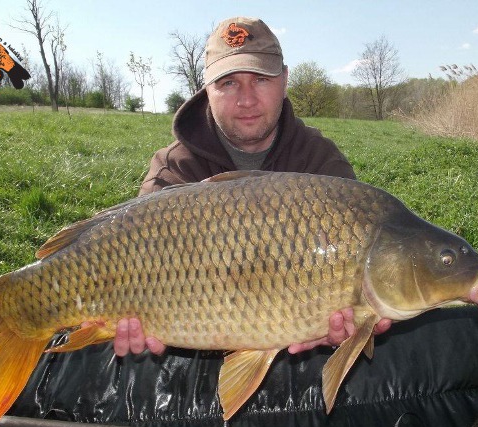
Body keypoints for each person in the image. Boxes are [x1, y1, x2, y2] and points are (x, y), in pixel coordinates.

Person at [109, 16, 391, 357]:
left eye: (260, 79)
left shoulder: (323, 166)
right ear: (206, 88)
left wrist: (347, 329)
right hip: (195, 353)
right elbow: (122, 263)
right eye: (228, 82)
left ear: (284, 80)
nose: (246, 99)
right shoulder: (174, 170)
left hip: (298, 358)